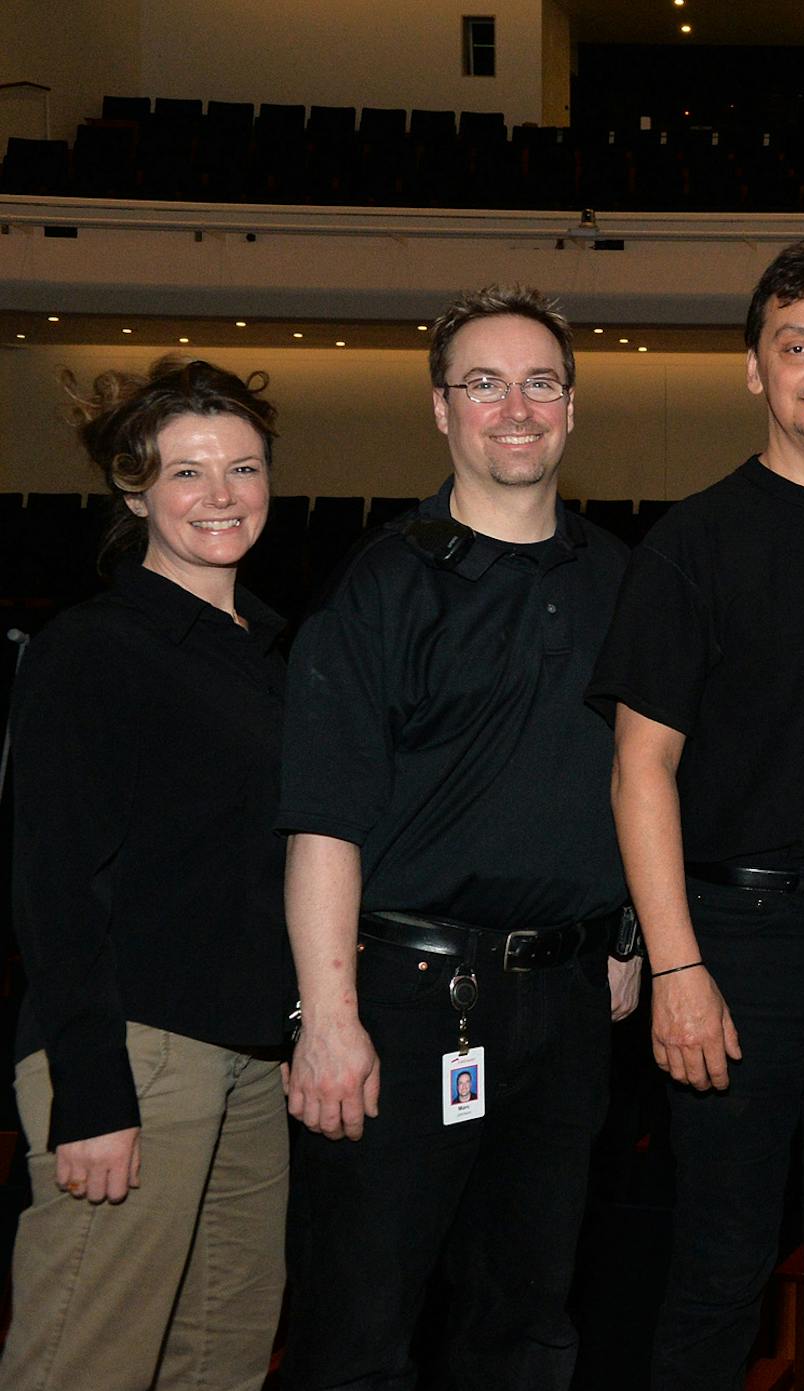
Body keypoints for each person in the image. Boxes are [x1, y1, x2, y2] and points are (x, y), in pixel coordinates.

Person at [588, 240, 804, 1390]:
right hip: (738, 946)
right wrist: (678, 965)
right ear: (755, 369)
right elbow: (640, 770)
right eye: (798, 347)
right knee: (719, 1268)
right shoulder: (690, 545)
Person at [277, 284, 639, 1390]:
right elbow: (323, 820)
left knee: (527, 1322)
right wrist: (328, 1017)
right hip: (403, 1002)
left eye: (540, 383)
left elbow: (643, 778)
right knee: (361, 1329)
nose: (515, 408)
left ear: (572, 407)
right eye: (484, 383)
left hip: (567, 1007)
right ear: (441, 409)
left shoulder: (621, 579)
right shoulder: (382, 583)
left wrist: (627, 929)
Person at [1, 357, 293, 1390]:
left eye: (243, 468)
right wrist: (90, 1089)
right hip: (133, 1050)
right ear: (135, 492)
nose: (222, 495)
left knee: (220, 1363)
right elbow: (52, 883)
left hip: (250, 1059)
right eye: (187, 472)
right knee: (86, 1363)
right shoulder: (92, 649)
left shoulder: (270, 651)